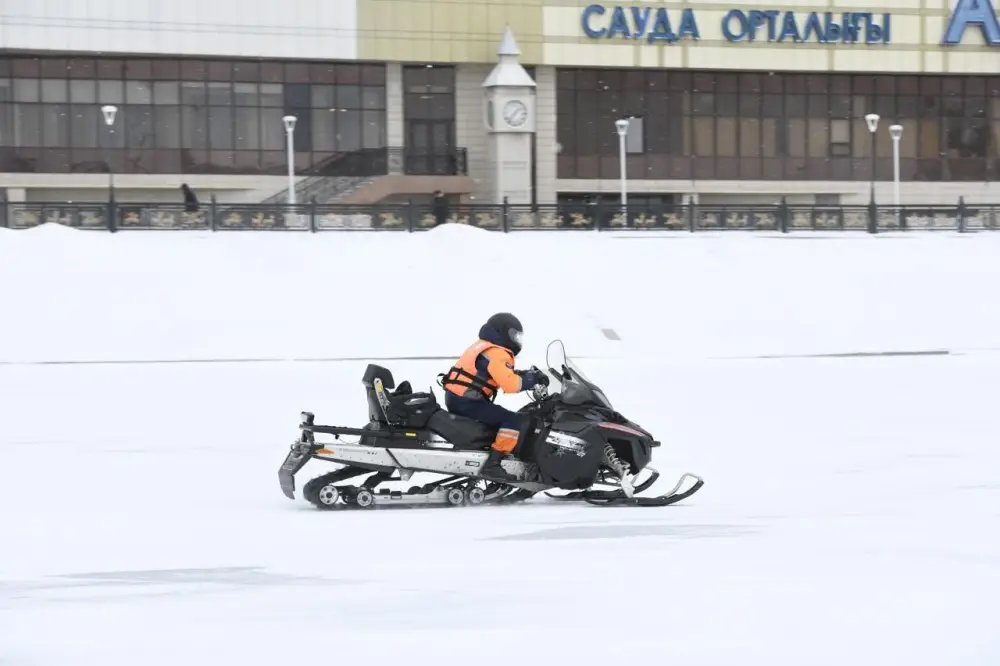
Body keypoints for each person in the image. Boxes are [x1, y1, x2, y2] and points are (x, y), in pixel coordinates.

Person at [440, 313, 548, 482]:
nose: (516, 340)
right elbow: (511, 384)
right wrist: (532, 379)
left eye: (518, 336)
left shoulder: (483, 346)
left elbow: (499, 374)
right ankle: (493, 464)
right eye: (514, 335)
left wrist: (525, 374)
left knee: (500, 419)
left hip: (458, 398)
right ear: (501, 332)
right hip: (467, 401)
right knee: (512, 421)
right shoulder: (498, 353)